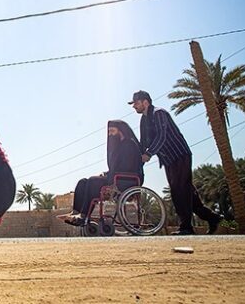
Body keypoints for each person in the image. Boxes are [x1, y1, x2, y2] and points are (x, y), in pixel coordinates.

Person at [130, 90, 223, 235]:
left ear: (145, 102)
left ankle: (186, 227)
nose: (134, 106)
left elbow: (162, 135)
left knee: (179, 190)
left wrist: (149, 153)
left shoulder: (159, 113)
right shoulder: (143, 120)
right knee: (187, 192)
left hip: (180, 155)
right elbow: (143, 142)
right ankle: (212, 217)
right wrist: (136, 160)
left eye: (136, 103)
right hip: (168, 159)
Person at [60, 120, 144, 226]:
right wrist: (107, 174)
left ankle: (84, 215)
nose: (110, 134)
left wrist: (110, 176)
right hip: (117, 178)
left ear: (121, 131)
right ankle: (76, 212)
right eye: (109, 132)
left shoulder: (129, 145)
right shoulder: (120, 146)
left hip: (126, 180)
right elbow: (117, 167)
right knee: (83, 182)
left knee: (92, 181)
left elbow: (127, 167)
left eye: (112, 131)